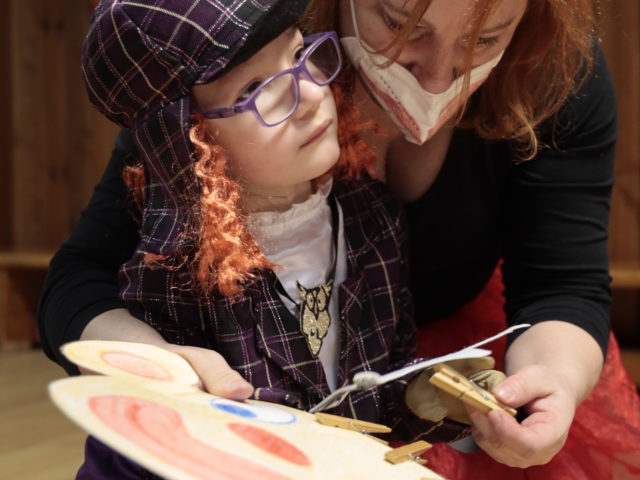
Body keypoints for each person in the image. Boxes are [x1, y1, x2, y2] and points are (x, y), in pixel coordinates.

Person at [38, 0, 640, 478]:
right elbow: (82, 278)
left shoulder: (551, 73)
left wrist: (540, 385)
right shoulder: (225, 37)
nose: (438, 77)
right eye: (401, 25)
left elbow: (562, 285)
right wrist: (165, 367)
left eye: (485, 38)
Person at [71, 0, 489, 477]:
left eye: (297, 55)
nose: (309, 93)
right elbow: (178, 446)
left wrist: (425, 396)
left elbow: (375, 393)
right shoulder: (176, 271)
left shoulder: (373, 217)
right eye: (254, 88)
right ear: (193, 139)